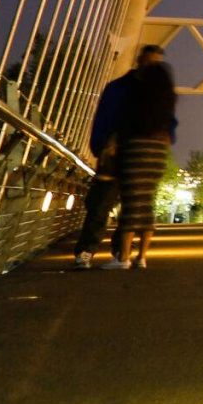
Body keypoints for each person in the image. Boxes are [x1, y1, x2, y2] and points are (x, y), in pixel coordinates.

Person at [110, 44, 177, 269]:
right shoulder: (166, 100)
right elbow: (171, 125)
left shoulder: (135, 95)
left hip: (136, 147)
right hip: (158, 149)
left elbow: (123, 120)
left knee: (130, 201)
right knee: (147, 201)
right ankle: (142, 257)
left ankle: (123, 258)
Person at [72, 63, 137, 269]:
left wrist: (98, 147)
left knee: (100, 206)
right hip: (127, 157)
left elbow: (101, 120)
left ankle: (87, 252)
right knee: (125, 207)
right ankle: (120, 252)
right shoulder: (137, 92)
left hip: (113, 156)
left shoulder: (115, 89)